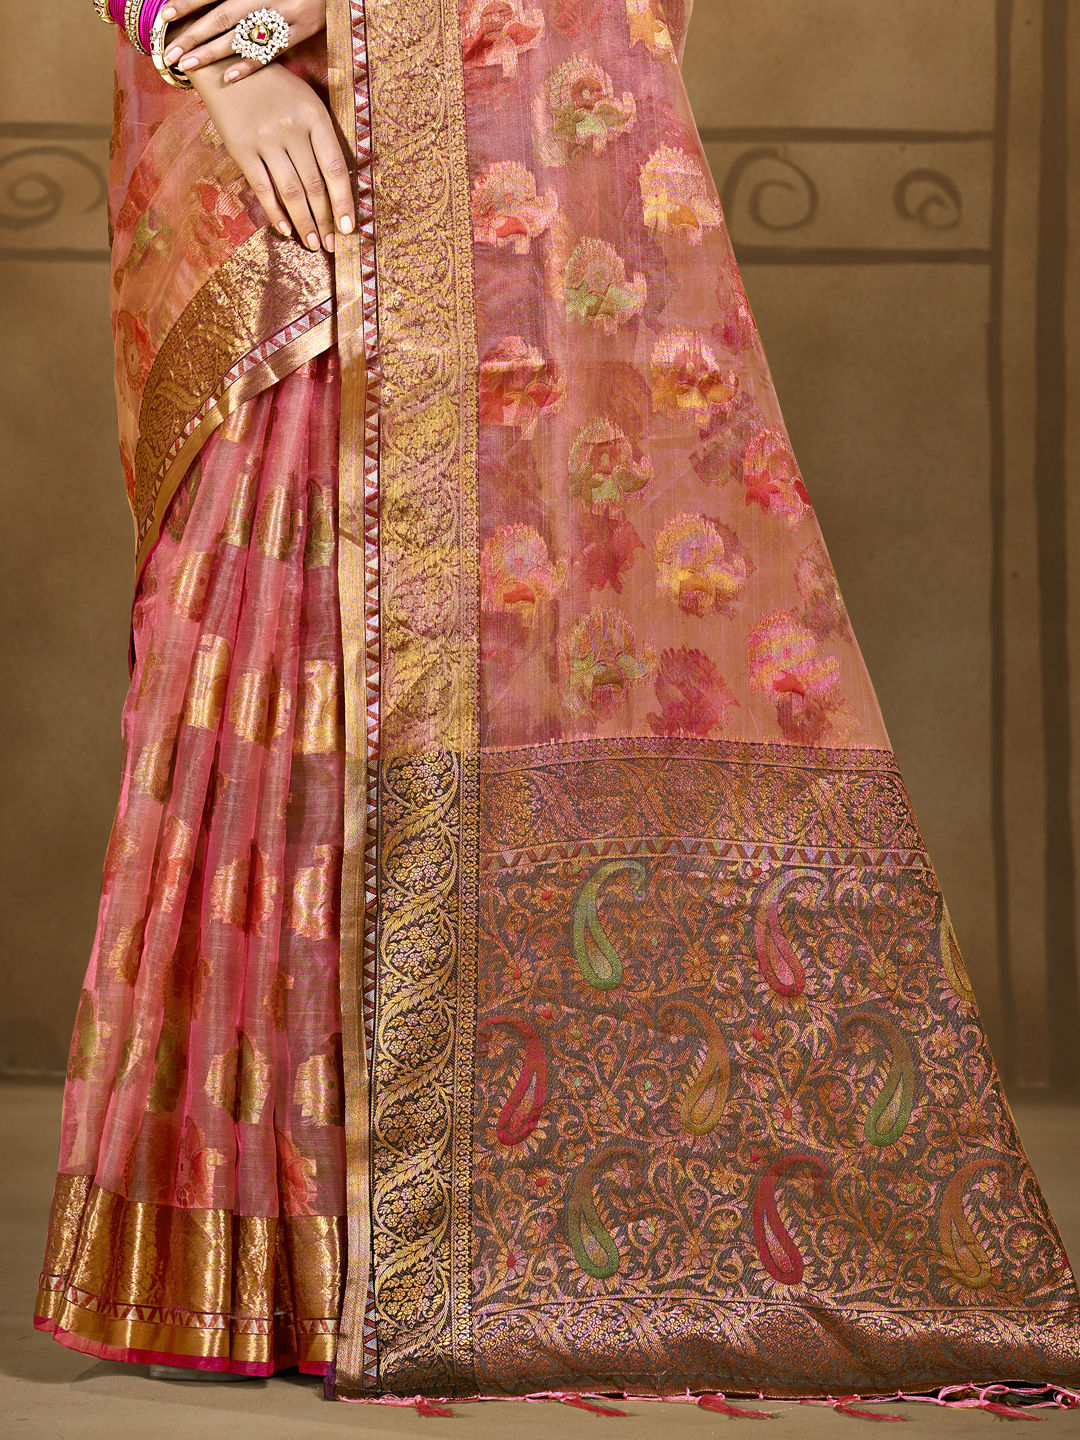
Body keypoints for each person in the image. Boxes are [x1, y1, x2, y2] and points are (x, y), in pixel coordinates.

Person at [35, 0, 1080, 1411]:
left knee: (477, 613)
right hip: (265, 129)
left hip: (495, 104)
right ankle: (254, 1259)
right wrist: (220, 58)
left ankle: (435, 1253)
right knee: (274, 608)